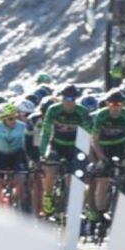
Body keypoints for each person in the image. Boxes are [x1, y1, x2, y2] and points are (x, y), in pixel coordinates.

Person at [39, 84, 92, 216]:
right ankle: (48, 196)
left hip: (74, 146)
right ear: (61, 98)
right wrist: (42, 153)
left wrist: (85, 155)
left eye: (72, 99)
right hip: (56, 144)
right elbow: (45, 132)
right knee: (50, 170)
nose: (69, 102)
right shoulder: (53, 110)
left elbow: (88, 134)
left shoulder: (82, 111)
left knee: (72, 178)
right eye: (66, 98)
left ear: (76, 99)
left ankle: (73, 205)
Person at [88, 88, 125, 220]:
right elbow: (94, 139)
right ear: (107, 104)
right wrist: (101, 157)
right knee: (102, 180)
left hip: (121, 147)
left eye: (119, 104)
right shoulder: (101, 116)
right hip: (104, 147)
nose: (115, 107)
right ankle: (100, 213)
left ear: (123, 105)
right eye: (112, 104)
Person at [0, 103, 29, 205]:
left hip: (17, 154)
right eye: (10, 119)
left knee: (20, 180)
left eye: (15, 118)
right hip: (0, 155)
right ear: (2, 119)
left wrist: (29, 162)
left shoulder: (22, 127)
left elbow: (26, 147)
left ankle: (18, 204)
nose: (14, 121)